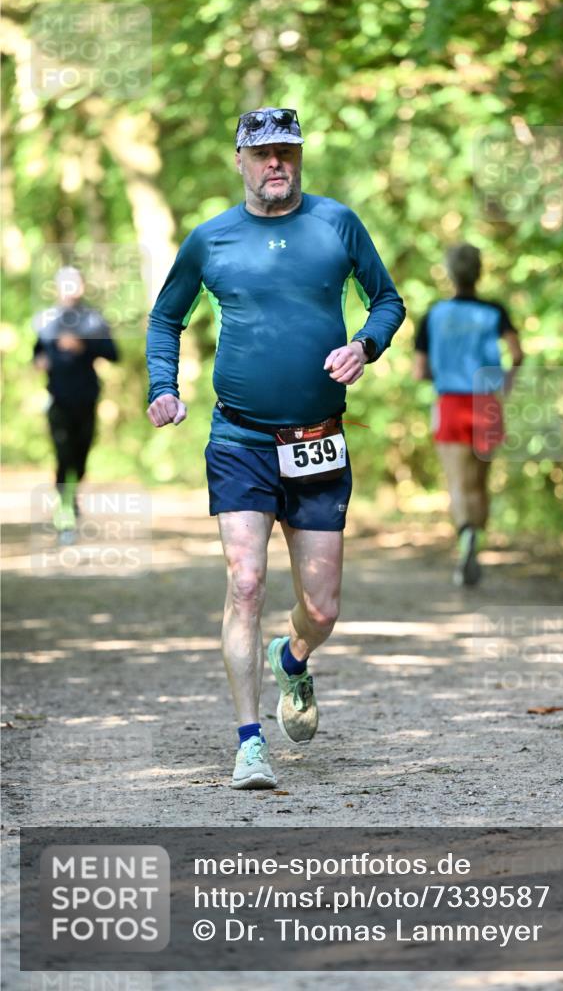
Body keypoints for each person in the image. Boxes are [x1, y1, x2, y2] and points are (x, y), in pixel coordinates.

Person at [146, 107, 405, 789]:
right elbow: (166, 315)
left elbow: (387, 300)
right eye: (262, 154)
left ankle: (292, 659)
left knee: (321, 608)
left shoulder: (336, 224)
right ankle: (249, 743)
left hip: (317, 442)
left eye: (286, 151)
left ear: (299, 156)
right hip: (239, 439)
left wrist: (363, 345)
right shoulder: (211, 240)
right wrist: (162, 385)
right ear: (239, 160)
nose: (275, 165)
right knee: (245, 581)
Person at [414, 243, 523, 586]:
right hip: (486, 402)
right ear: (480, 272)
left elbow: (420, 371)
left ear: (450, 273)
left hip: (450, 404)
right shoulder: (495, 311)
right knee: (481, 484)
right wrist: (506, 381)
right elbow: (517, 353)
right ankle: (477, 534)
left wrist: (443, 374)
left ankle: (465, 535)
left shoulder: (434, 314)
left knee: (458, 484)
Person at [33, 266, 119, 543]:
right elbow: (36, 352)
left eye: (76, 283)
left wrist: (85, 345)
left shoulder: (93, 320)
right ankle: (65, 509)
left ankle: (72, 495)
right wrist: (39, 361)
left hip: (87, 398)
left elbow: (113, 353)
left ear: (82, 286)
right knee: (63, 454)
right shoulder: (46, 320)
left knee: (80, 458)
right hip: (57, 398)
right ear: (57, 288)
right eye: (66, 284)